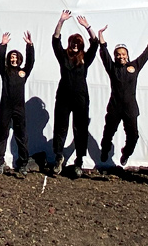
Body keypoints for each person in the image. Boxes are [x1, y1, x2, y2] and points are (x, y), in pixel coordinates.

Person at [96, 24, 148, 166]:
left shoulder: (134, 66)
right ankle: (104, 150)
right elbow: (104, 53)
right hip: (115, 107)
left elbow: (146, 54)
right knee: (108, 133)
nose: (121, 56)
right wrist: (101, 36)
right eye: (118, 54)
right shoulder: (112, 68)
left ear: (127, 55)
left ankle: (126, 153)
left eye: (123, 54)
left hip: (130, 108)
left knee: (133, 135)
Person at [51, 10, 98, 176]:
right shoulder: (63, 56)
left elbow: (95, 43)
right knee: (60, 127)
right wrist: (61, 22)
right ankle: (58, 158)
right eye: (73, 43)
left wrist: (87, 27)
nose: (75, 45)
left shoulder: (86, 57)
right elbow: (55, 40)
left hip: (81, 97)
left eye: (78, 43)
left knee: (80, 128)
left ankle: (79, 161)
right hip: (63, 96)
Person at [0, 31, 35, 178]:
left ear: (19, 59)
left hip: (19, 108)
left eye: (16, 57)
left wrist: (30, 46)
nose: (13, 59)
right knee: (1, 135)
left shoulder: (23, 72)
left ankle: (23, 164)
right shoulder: (5, 71)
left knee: (21, 135)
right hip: (5, 107)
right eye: (11, 57)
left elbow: (31, 62)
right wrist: (3, 45)